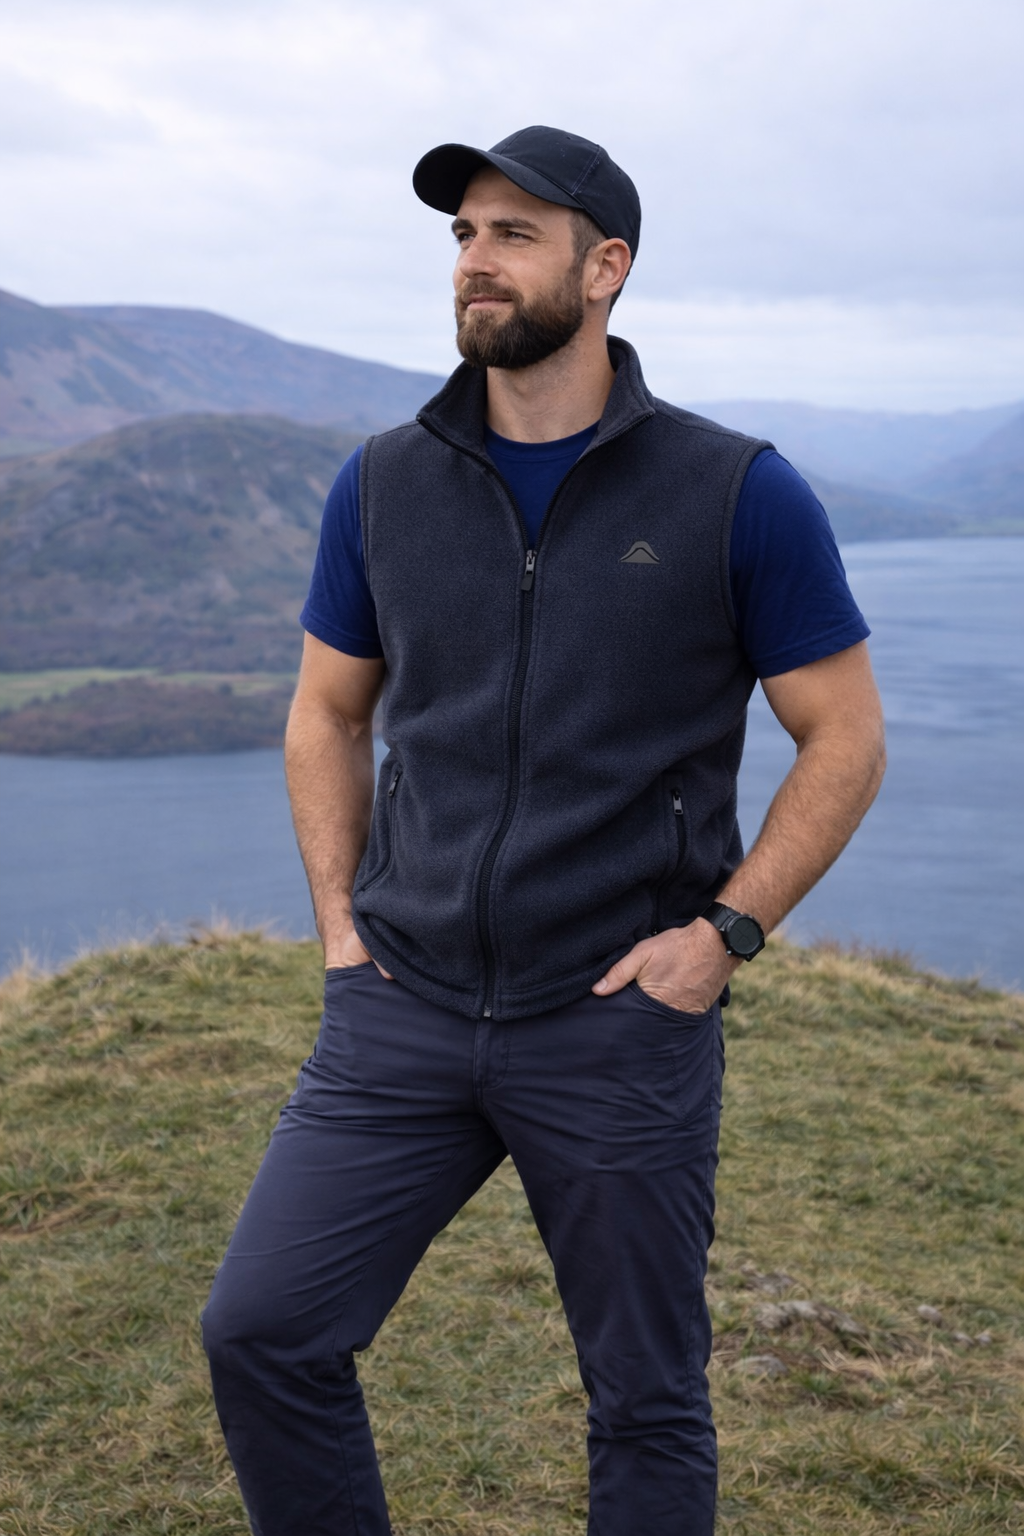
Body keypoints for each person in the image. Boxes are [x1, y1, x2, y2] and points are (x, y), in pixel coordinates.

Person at [202, 125, 885, 1535]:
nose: (476, 260)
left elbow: (849, 736)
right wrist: (340, 923)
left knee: (644, 1397)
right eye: (462, 234)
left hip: (617, 1014)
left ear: (607, 266)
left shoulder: (736, 490)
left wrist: (723, 936)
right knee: (262, 1331)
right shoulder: (384, 482)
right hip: (402, 1000)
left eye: (514, 232)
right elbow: (326, 714)